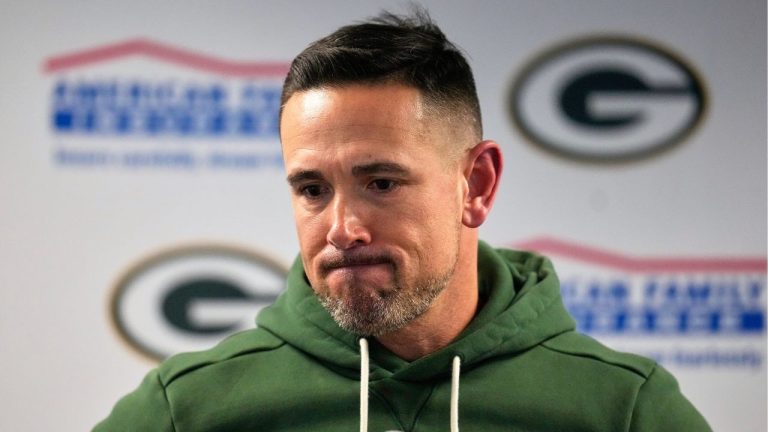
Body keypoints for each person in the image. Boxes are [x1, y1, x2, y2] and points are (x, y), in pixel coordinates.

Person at [94, 9, 711, 432]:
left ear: (476, 184)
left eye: (381, 183)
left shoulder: (624, 409)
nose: (342, 228)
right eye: (312, 188)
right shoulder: (188, 409)